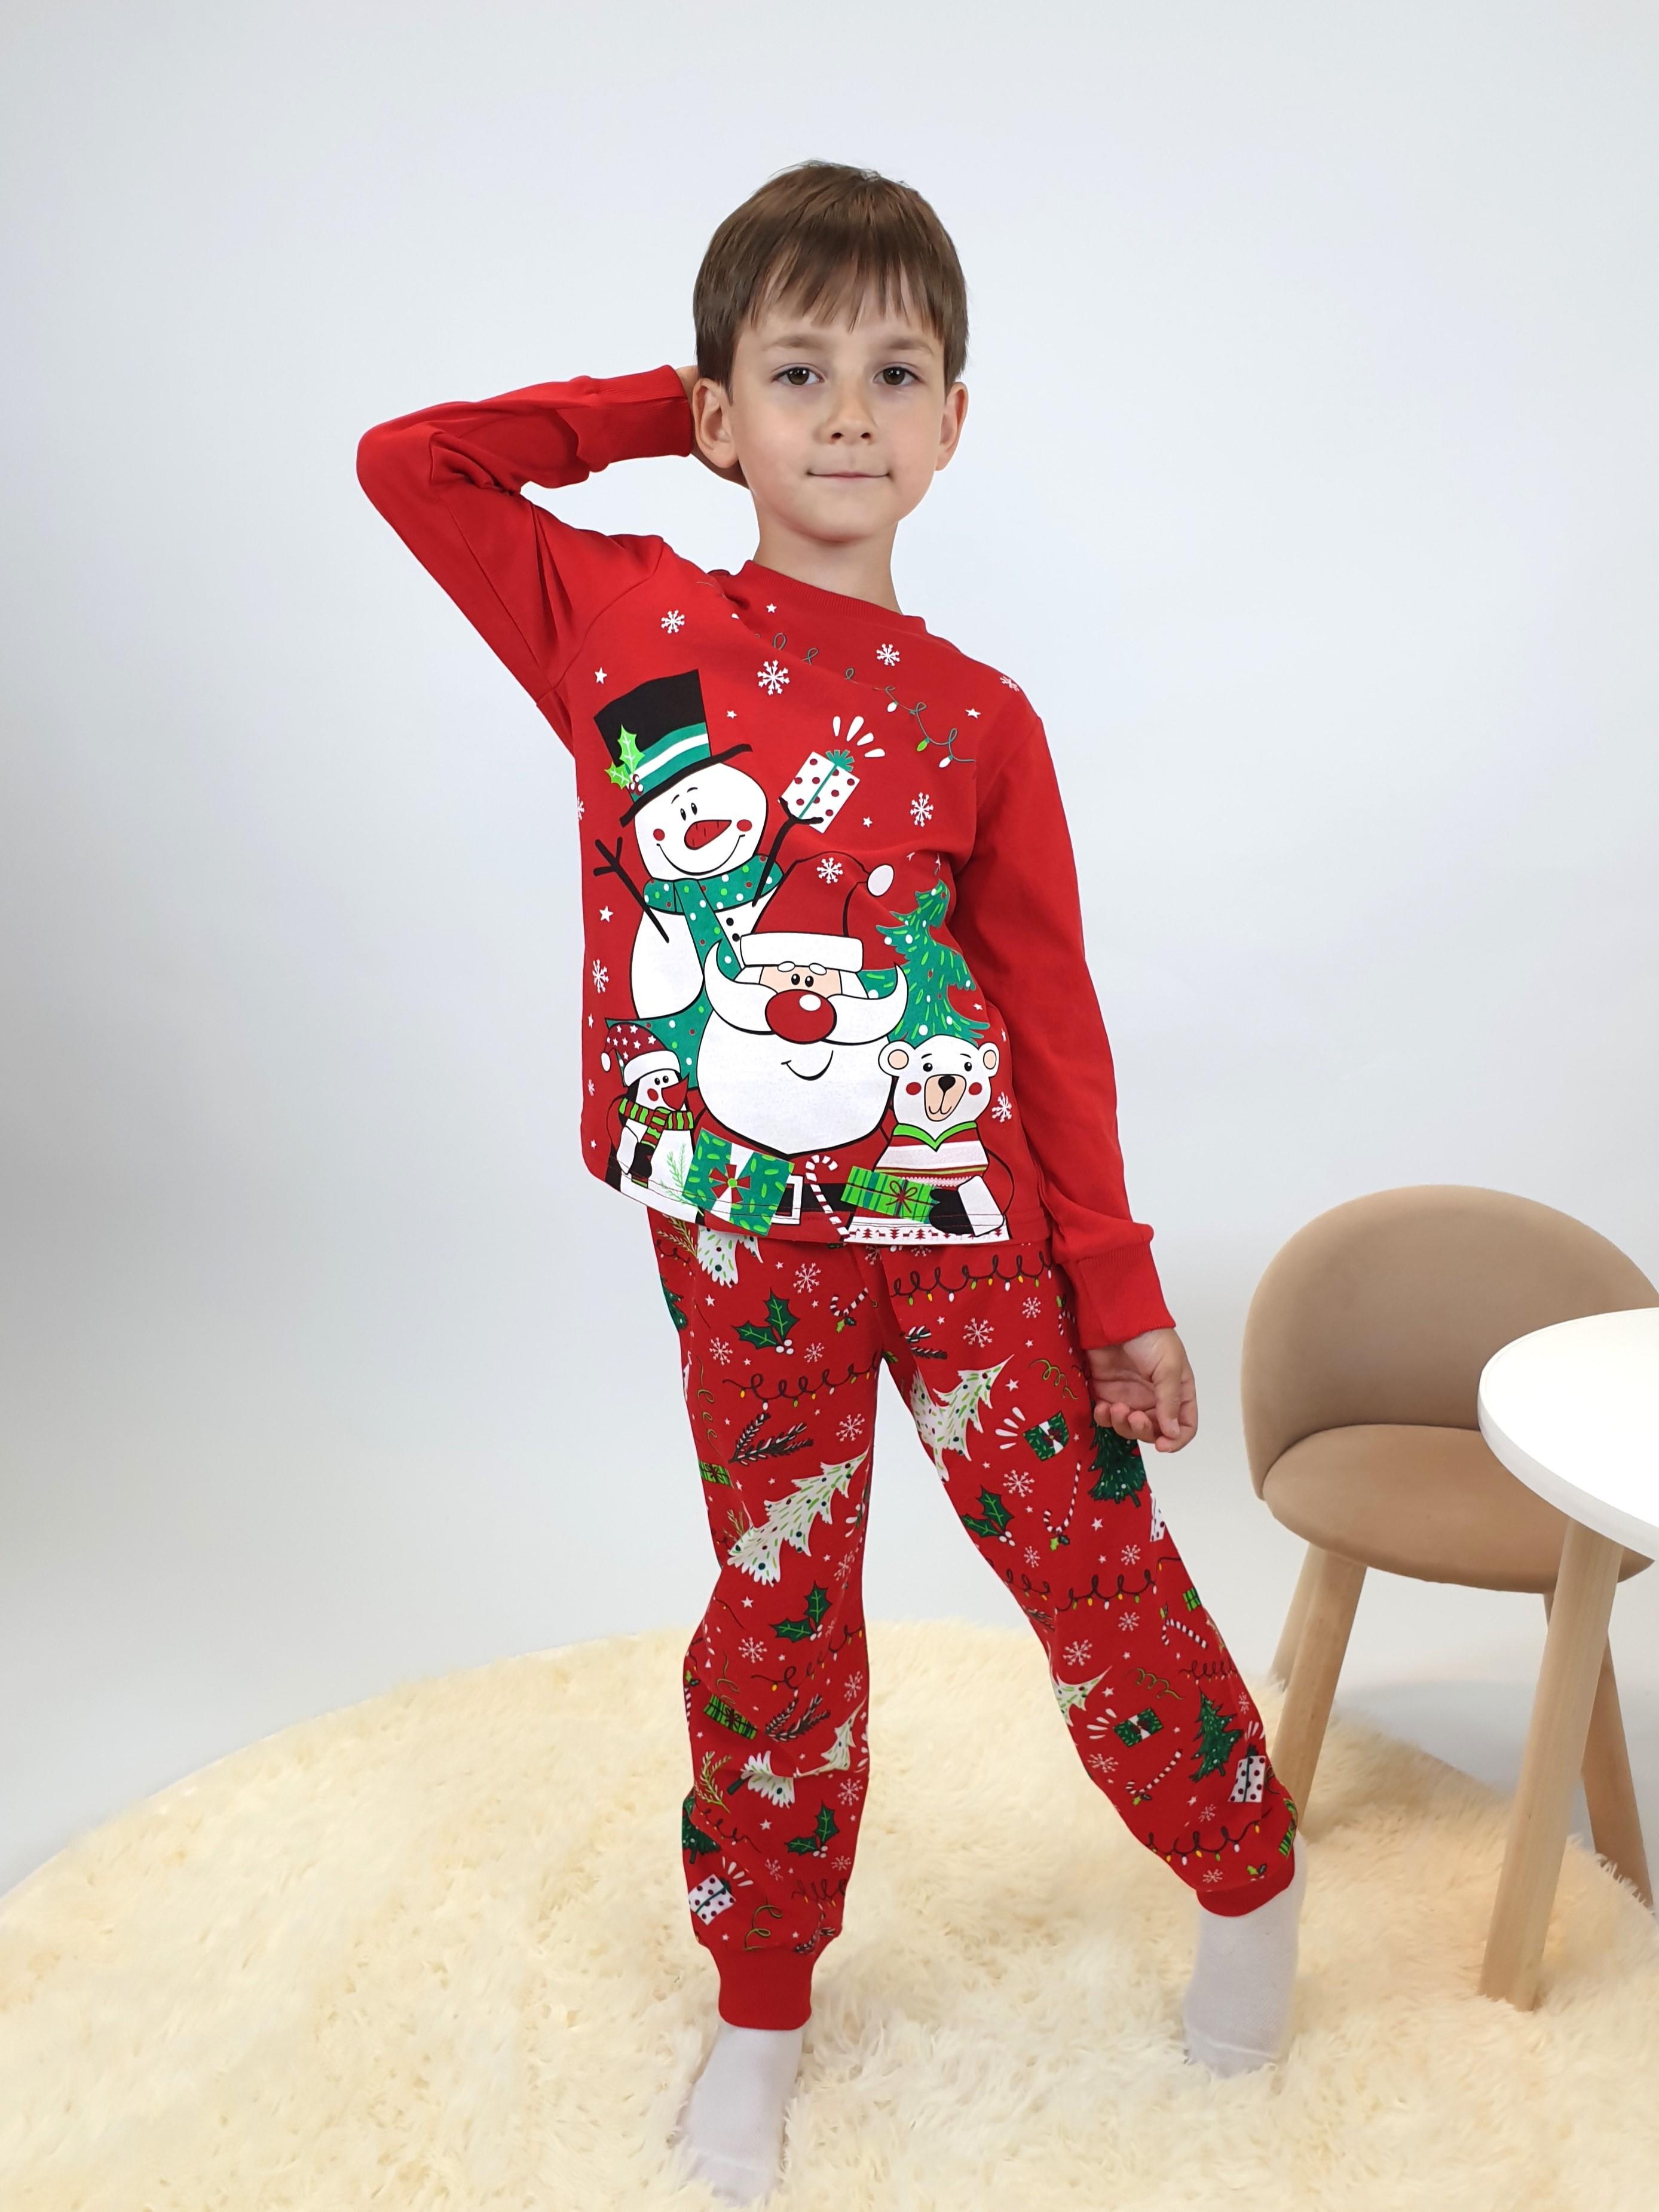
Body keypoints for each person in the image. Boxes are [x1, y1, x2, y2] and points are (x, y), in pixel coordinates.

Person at [357, 158, 1306, 2207]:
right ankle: (763, 2008)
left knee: (1095, 1573)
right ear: (724, 413)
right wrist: (679, 405)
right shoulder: (619, 613)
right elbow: (411, 464)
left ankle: (1249, 1883)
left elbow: (1050, 1023)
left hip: (972, 1252)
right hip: (737, 1247)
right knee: (780, 1617)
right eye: (799, 375)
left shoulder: (982, 719)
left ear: (956, 421)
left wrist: (1118, 1288)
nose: (851, 416)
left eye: (896, 374)